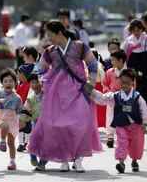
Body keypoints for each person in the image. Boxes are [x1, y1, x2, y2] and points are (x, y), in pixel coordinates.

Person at [28, 20, 100, 173]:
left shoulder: (80, 46)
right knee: (58, 127)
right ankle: (64, 160)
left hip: (78, 90)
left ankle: (78, 159)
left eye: (50, 35)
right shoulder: (50, 51)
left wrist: (91, 82)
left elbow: (93, 64)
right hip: (56, 93)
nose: (48, 38)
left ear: (59, 33)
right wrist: (41, 81)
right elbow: (40, 68)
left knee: (80, 125)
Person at [90, 69, 147, 173]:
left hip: (135, 125)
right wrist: (91, 91)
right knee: (121, 142)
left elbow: (143, 109)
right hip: (121, 124)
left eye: (127, 83)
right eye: (122, 82)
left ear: (132, 82)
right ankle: (121, 163)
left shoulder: (137, 97)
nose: (124, 85)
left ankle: (134, 160)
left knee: (136, 144)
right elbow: (102, 98)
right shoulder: (115, 96)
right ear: (119, 81)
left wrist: (145, 123)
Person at [122, 19, 147, 119]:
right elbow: (123, 55)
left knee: (146, 94)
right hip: (133, 71)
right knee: (132, 93)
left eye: (138, 30)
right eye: (134, 30)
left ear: (142, 29)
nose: (136, 33)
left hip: (146, 71)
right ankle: (134, 117)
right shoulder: (128, 40)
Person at [0, 69, 23, 170]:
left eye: (10, 81)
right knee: (4, 125)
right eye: (5, 81)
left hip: (12, 119)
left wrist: (21, 121)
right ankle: (2, 141)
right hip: (0, 117)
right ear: (2, 83)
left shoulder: (17, 97)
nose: (8, 83)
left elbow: (19, 110)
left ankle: (12, 162)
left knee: (11, 142)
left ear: (15, 82)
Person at [102, 49, 131, 148]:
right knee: (110, 115)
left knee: (124, 116)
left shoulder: (129, 72)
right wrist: (106, 90)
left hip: (125, 98)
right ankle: (110, 136)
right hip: (112, 97)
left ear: (121, 61)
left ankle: (123, 136)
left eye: (113, 60)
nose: (111, 62)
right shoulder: (109, 71)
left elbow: (133, 85)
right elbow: (105, 83)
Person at [25, 73, 44, 167]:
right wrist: (22, 120)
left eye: (37, 82)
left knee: (45, 142)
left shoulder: (45, 94)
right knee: (34, 139)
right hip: (36, 123)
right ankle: (32, 154)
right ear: (29, 84)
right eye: (33, 82)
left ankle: (42, 162)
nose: (35, 85)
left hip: (46, 123)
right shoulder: (30, 97)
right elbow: (26, 109)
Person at [16, 63, 34, 152]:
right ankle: (20, 144)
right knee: (20, 127)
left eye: (18, 74)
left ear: (23, 74)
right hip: (19, 110)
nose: (17, 76)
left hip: (27, 110)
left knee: (27, 128)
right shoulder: (20, 84)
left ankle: (26, 143)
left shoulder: (29, 85)